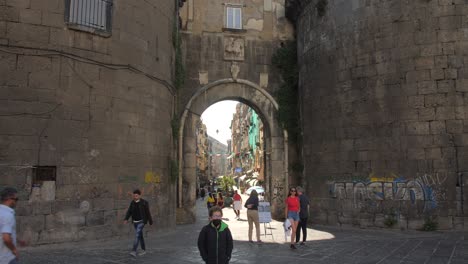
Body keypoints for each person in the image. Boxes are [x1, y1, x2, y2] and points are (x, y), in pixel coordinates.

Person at [124, 189, 153, 257]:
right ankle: (143, 250)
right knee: (140, 236)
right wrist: (126, 219)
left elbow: (148, 212)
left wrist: (150, 222)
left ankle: (134, 251)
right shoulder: (132, 202)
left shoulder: (144, 202)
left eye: (136, 196)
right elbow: (129, 211)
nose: (135, 197)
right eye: (134, 196)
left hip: (142, 221)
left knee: (137, 235)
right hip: (135, 222)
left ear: (140, 195)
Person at [0, 187, 18, 264]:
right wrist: (14, 249)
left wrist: (19, 240)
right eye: (16, 199)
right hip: (6, 257)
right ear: (9, 198)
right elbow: (6, 238)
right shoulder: (8, 215)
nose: (17, 202)